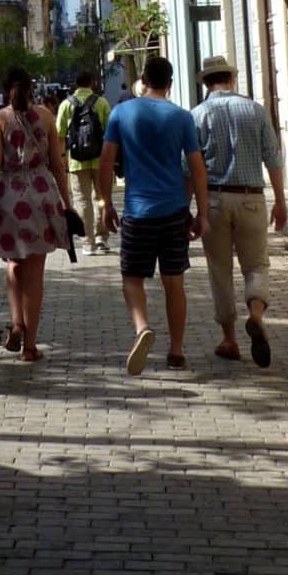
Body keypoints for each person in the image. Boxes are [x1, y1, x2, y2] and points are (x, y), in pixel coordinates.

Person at [97, 54, 209, 374]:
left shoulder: (121, 113)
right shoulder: (182, 117)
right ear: (170, 85)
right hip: (174, 212)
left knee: (132, 279)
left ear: (143, 80)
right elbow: (197, 169)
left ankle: (142, 327)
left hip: (137, 211)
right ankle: (176, 351)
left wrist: (105, 203)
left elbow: (106, 162)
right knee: (174, 284)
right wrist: (201, 212)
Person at [191, 55, 288, 368]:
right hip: (251, 198)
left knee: (220, 270)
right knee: (257, 264)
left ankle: (230, 339)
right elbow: (272, 158)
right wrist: (281, 200)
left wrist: (191, 210)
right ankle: (256, 314)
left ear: (206, 83)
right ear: (231, 80)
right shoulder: (255, 110)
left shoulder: (198, 115)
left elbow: (190, 168)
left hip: (215, 201)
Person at [0, 66, 70, 362]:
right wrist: (67, 203)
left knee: (14, 264)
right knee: (36, 273)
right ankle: (30, 346)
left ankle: (16, 323)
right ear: (31, 88)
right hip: (42, 197)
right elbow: (58, 164)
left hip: (8, 197)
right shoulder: (45, 116)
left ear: (5, 90)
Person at [55, 70, 111, 255]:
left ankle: (88, 243)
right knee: (101, 197)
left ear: (75, 85)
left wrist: (62, 158)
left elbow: (60, 135)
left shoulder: (66, 105)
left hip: (76, 160)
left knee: (82, 199)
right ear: (92, 83)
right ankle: (102, 237)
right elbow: (111, 133)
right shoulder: (101, 102)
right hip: (100, 159)